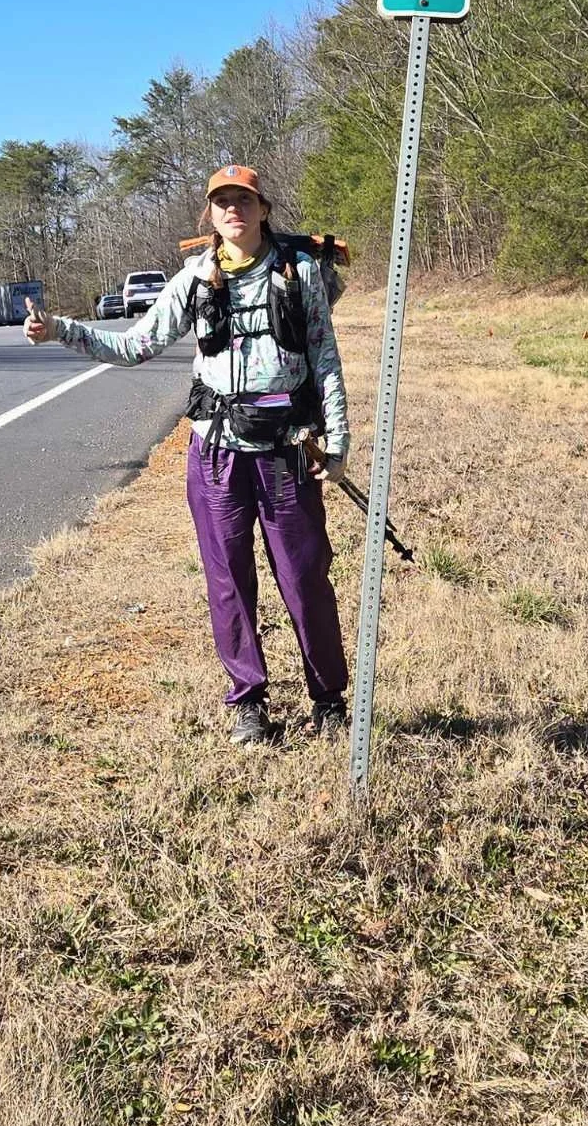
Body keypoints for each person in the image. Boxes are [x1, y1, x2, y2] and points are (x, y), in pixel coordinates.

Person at [25, 164, 351, 746]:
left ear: (263, 208)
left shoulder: (300, 273)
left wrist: (341, 442)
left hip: (287, 452)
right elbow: (135, 345)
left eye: (244, 200)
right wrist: (60, 330)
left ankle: (328, 700)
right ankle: (249, 705)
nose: (234, 210)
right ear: (210, 213)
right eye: (222, 201)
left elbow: (326, 360)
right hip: (217, 455)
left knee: (304, 577)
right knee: (229, 581)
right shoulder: (195, 279)